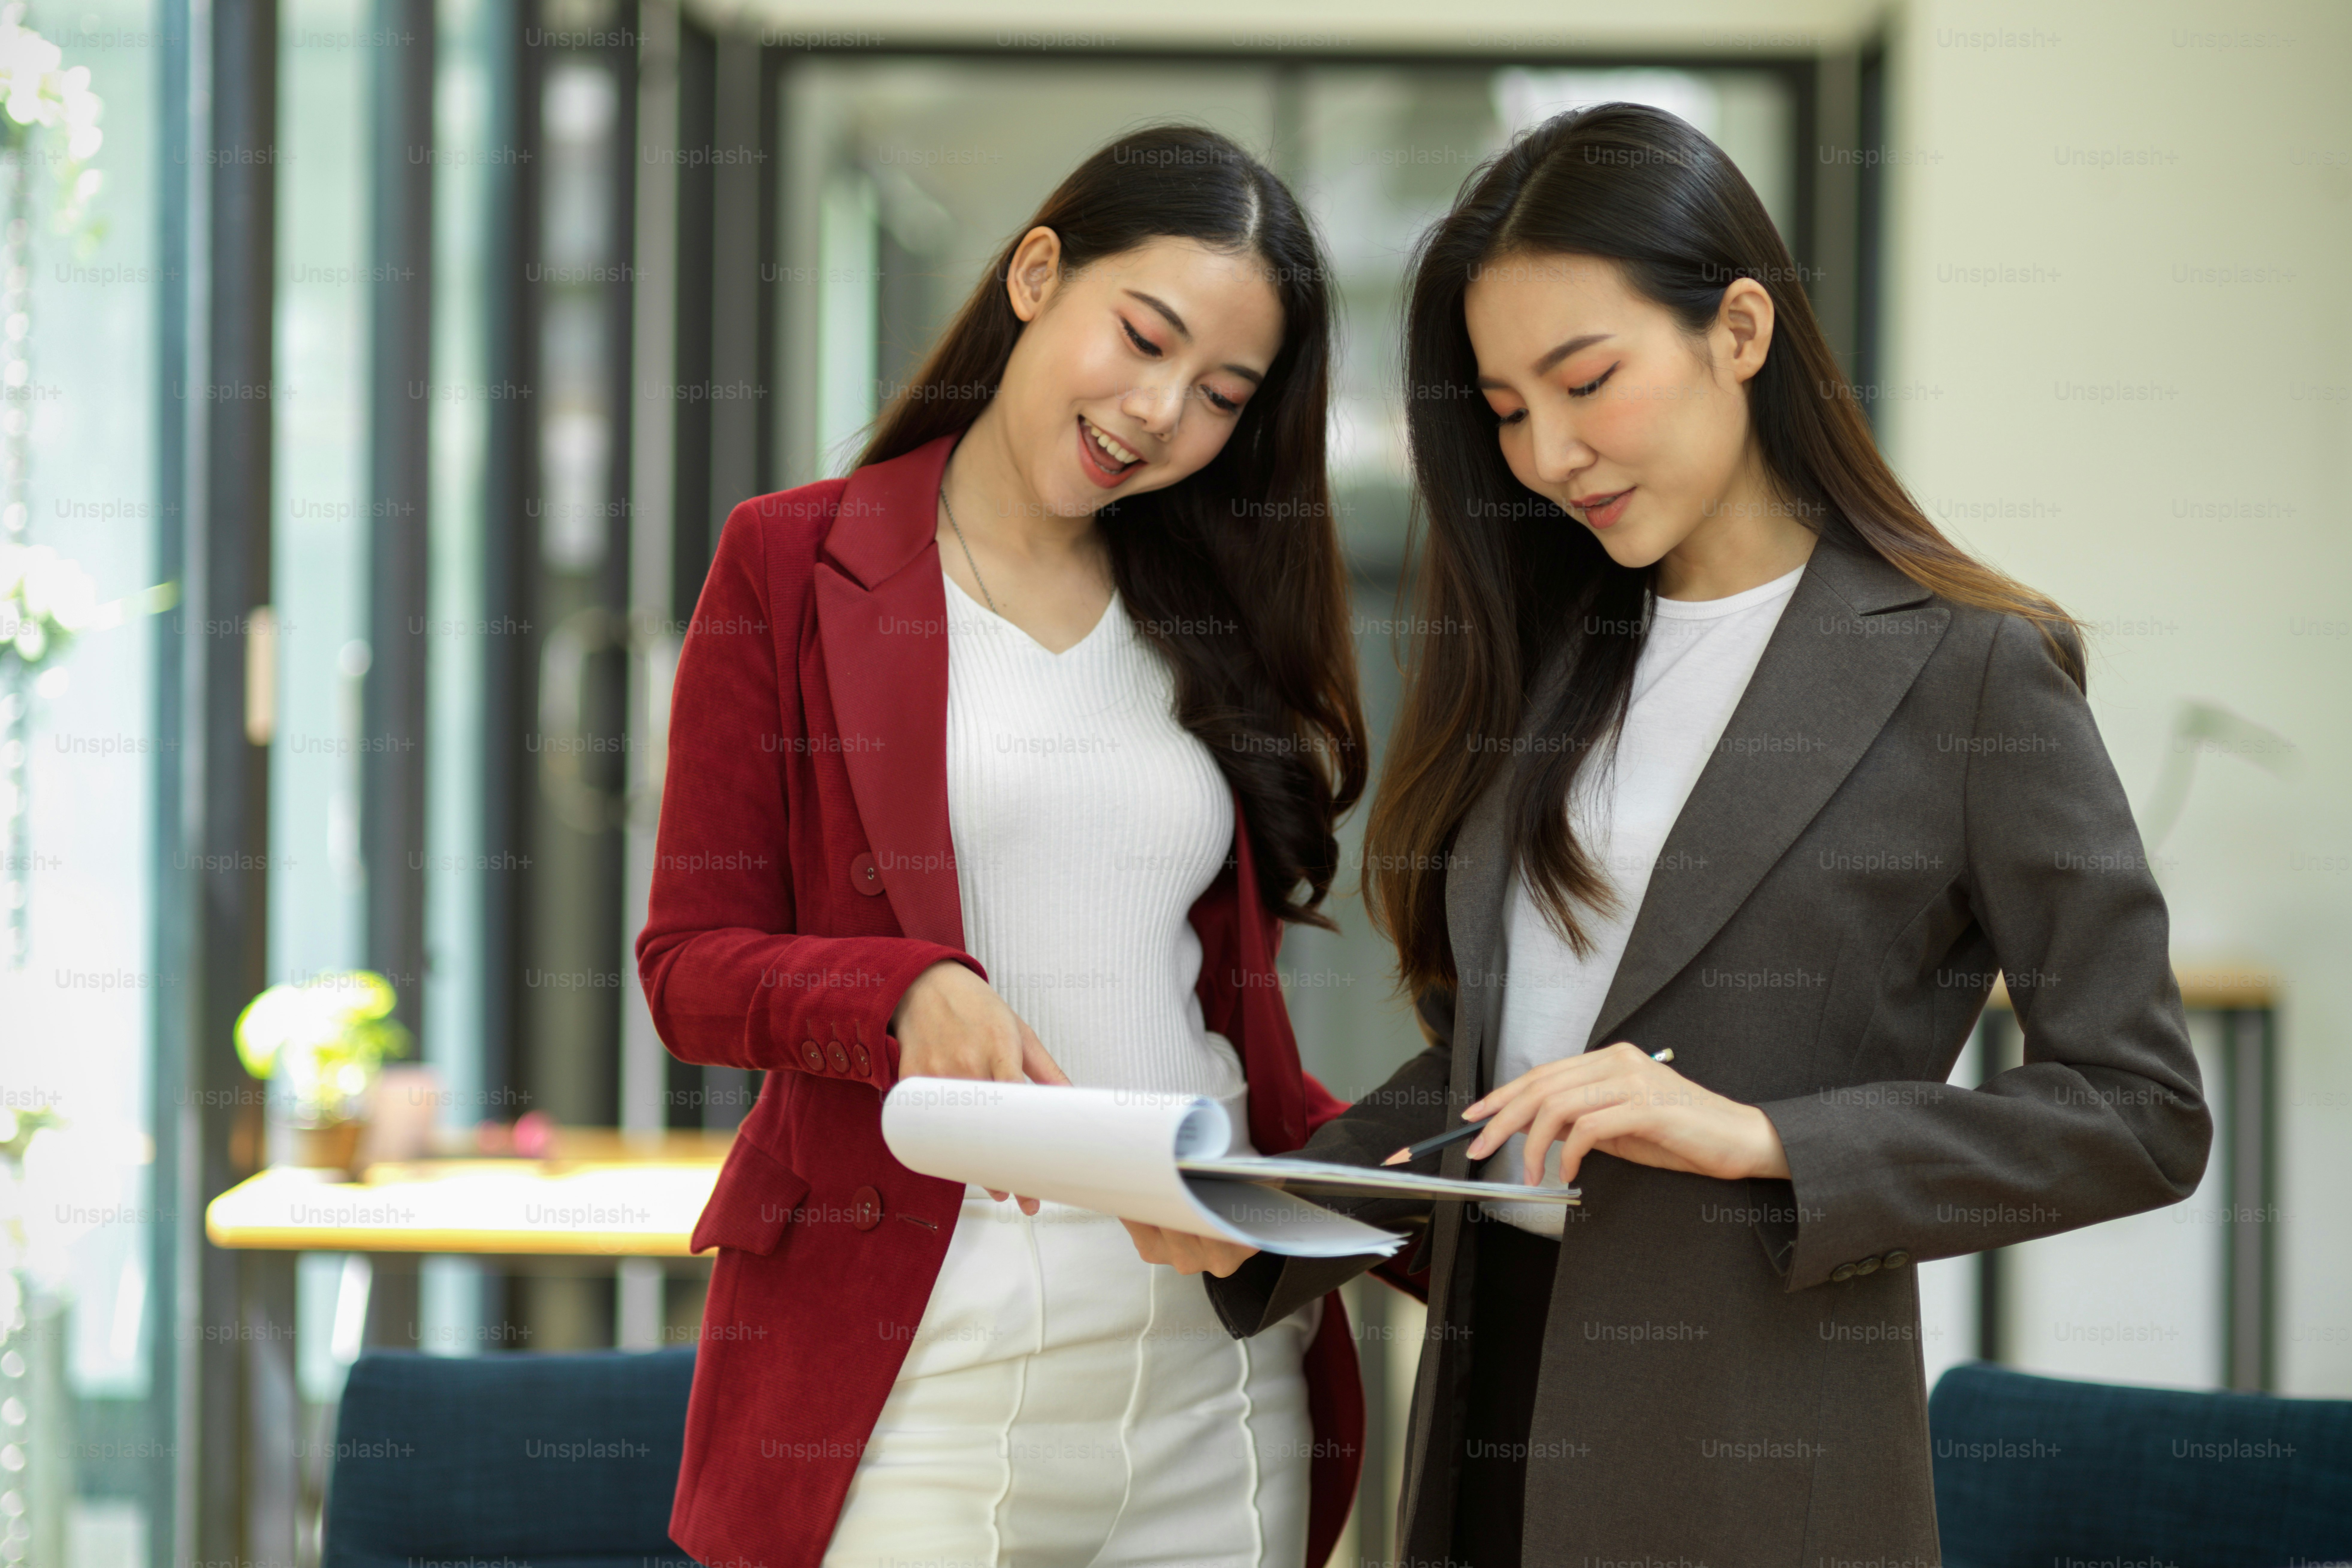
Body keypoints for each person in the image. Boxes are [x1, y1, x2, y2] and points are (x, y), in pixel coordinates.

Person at [1127, 103, 2211, 1566]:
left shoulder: (1970, 670)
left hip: (1753, 1455)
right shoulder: (1560, 653)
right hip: (1485, 1409)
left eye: (1587, 380)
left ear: (1741, 328)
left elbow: (2138, 1112)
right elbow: (1503, 1077)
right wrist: (1272, 1209)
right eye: (1507, 411)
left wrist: (1764, 1137)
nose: (1550, 452)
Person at [636, 124, 1374, 1568]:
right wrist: (897, 994)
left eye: (1221, 394)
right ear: (1038, 272)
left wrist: (1387, 1187)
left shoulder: (1209, 617)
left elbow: (1215, 1017)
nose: (1161, 412)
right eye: (1143, 337)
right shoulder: (791, 562)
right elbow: (687, 968)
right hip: (920, 1369)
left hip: (1208, 1373)